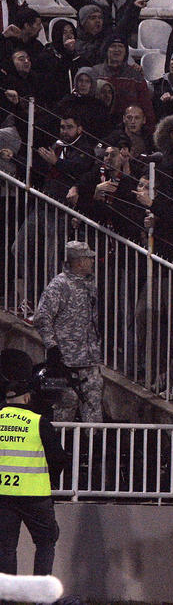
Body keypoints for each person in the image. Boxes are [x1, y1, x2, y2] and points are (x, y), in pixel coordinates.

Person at [0, 348, 69, 578]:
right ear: (28, 397)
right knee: (46, 543)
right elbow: (58, 458)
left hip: (3, 496)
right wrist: (50, 481)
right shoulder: (38, 422)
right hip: (35, 497)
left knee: (6, 549)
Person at [32, 241, 103, 422]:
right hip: (66, 360)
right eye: (89, 259)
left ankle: (93, 446)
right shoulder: (59, 285)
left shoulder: (89, 285)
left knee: (94, 405)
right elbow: (42, 317)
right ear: (79, 262)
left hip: (89, 359)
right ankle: (62, 446)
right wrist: (52, 346)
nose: (92, 262)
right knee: (65, 407)